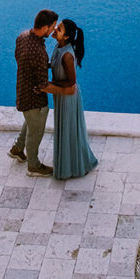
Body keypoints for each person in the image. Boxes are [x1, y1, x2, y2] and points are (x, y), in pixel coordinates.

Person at [9, 9, 74, 177]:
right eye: (53, 27)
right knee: (36, 132)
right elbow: (44, 86)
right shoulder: (38, 52)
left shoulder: (22, 37)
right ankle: (33, 165)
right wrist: (65, 90)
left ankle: (17, 149)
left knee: (31, 122)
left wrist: (43, 67)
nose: (54, 30)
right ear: (45, 27)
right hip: (35, 99)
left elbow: (22, 59)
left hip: (22, 91)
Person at [50, 18, 98, 180]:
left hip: (68, 97)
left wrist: (49, 84)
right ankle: (68, 163)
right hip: (60, 95)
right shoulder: (58, 46)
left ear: (66, 37)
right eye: (57, 27)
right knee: (66, 128)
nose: (55, 29)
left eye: (59, 29)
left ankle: (73, 166)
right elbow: (54, 64)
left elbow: (71, 82)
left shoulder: (68, 56)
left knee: (68, 129)